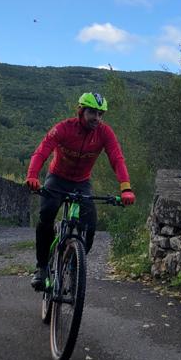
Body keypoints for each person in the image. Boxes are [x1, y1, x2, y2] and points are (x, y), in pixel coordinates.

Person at [25, 91, 135, 289]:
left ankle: (76, 263)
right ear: (81, 110)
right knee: (46, 214)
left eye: (101, 114)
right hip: (57, 179)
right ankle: (41, 267)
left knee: (90, 226)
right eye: (92, 112)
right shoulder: (63, 128)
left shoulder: (105, 133)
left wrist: (125, 187)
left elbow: (117, 158)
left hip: (81, 182)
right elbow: (42, 151)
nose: (97, 118)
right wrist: (32, 175)